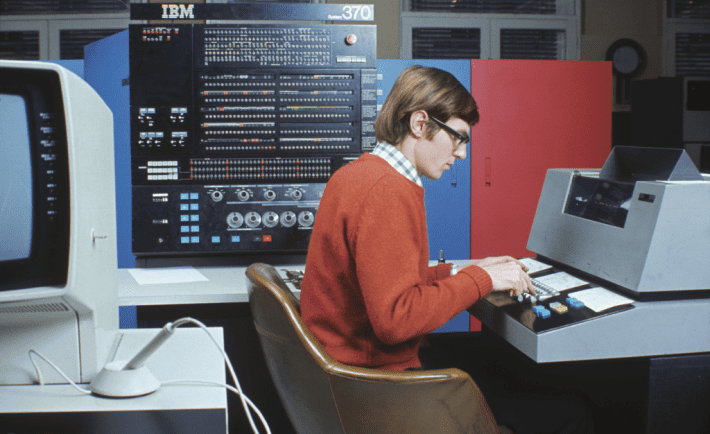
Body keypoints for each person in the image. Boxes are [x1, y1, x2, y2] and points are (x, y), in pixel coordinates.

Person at [300, 65, 594, 434]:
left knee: (495, 364)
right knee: (571, 409)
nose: (462, 154)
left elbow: (381, 279)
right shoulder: (387, 190)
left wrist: (458, 272)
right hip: (380, 385)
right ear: (420, 124)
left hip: (351, 376)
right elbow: (396, 320)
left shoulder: (357, 174)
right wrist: (481, 279)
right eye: (457, 138)